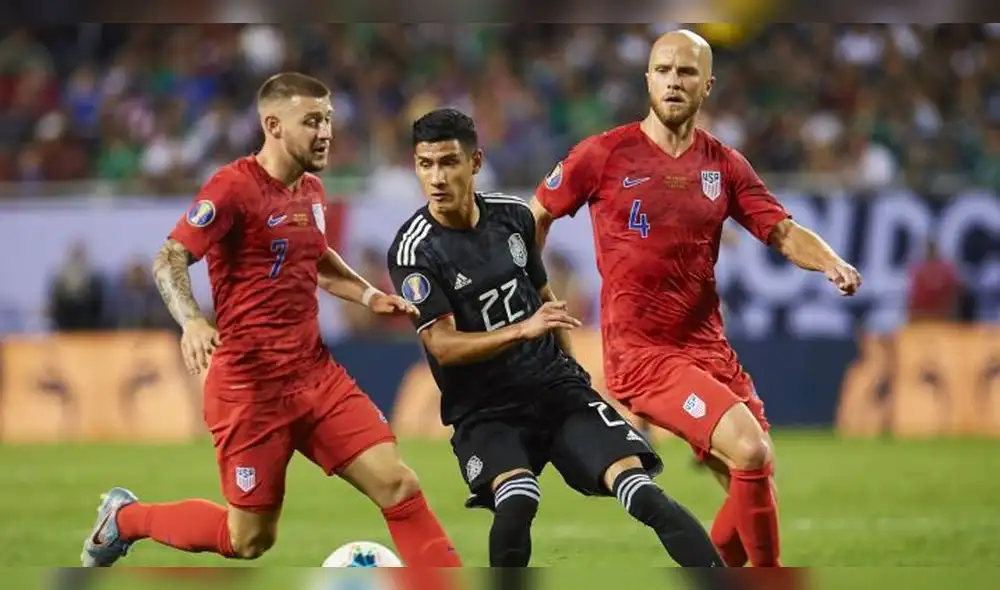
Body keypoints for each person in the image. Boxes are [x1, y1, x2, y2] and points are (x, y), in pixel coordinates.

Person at [81, 72, 462, 568]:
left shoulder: (312, 192)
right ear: (273, 125)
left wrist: (368, 296)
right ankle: (125, 519)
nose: (325, 131)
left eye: (327, 120)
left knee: (397, 483)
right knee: (250, 539)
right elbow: (170, 257)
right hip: (250, 390)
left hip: (314, 375)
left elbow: (317, 258)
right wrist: (192, 321)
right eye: (311, 121)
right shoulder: (233, 188)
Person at [528, 30, 863, 568]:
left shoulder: (723, 166)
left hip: (708, 349)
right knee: (751, 452)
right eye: (662, 70)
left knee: (754, 480)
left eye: (686, 73)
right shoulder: (604, 154)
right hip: (643, 355)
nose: (673, 82)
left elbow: (780, 229)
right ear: (647, 80)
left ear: (708, 85)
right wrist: (532, 294)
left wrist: (831, 262)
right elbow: (535, 216)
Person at [386, 108, 725, 569]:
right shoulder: (414, 250)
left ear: (476, 162)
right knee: (518, 500)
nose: (437, 177)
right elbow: (443, 345)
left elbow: (543, 298)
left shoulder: (512, 217)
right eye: (425, 164)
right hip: (486, 410)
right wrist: (523, 329)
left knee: (642, 493)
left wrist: (574, 374)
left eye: (448, 162)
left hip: (555, 387)